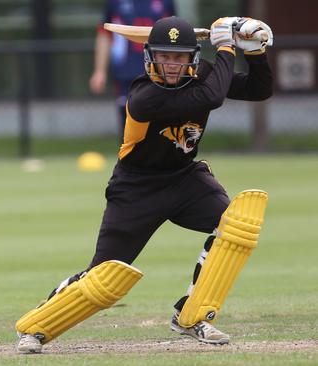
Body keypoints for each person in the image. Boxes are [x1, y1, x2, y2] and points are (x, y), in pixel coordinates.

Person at [15, 16, 274, 353]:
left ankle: (193, 316)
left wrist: (255, 52)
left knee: (236, 226)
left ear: (192, 59)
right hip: (136, 189)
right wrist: (226, 46)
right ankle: (34, 327)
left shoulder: (205, 74)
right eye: (164, 56)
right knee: (104, 276)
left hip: (184, 179)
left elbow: (258, 90)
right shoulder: (143, 95)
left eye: (179, 57)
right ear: (150, 56)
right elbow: (211, 98)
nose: (170, 64)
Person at [89, 0, 176, 140]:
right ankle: (128, 159)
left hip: (159, 73)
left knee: (159, 122)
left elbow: (176, 36)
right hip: (125, 73)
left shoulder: (166, 2)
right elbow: (104, 34)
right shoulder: (115, 3)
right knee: (127, 123)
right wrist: (99, 71)